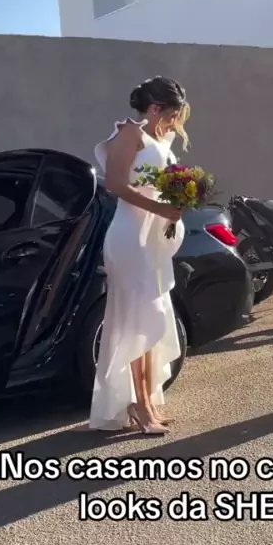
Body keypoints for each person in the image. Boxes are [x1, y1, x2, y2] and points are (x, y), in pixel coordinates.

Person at [89, 76, 190, 435]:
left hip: (152, 239)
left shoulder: (159, 139)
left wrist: (177, 202)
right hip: (129, 237)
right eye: (171, 115)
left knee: (150, 316)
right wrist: (159, 207)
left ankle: (147, 401)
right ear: (155, 108)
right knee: (135, 319)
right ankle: (139, 405)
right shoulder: (129, 133)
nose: (174, 123)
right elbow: (115, 184)